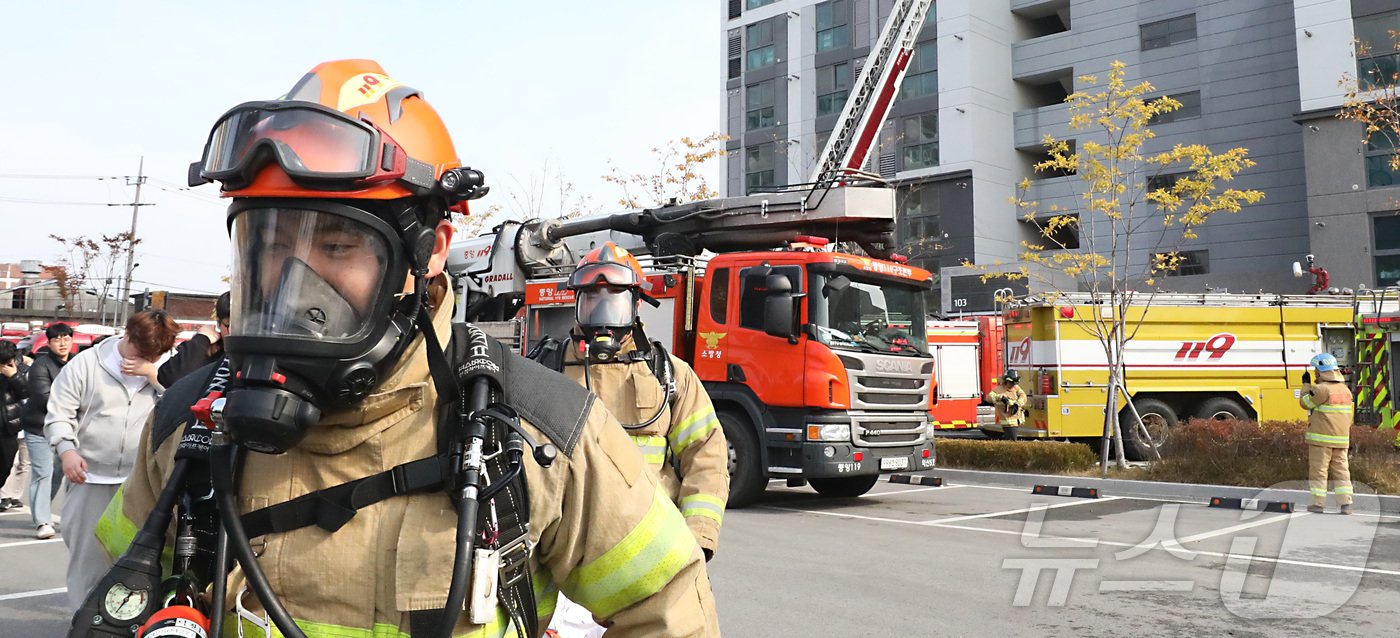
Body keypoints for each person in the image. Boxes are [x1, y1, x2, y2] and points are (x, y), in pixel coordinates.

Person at [95, 59, 718, 637]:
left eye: (337, 246)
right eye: (271, 244)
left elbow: (668, 611)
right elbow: (121, 596)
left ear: (429, 250)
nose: (293, 282)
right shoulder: (190, 427)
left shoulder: (536, 430)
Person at [545, 243, 729, 637]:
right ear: (576, 303)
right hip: (561, 559)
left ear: (637, 306)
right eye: (592, 300)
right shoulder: (545, 371)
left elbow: (707, 458)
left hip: (651, 558)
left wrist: (697, 539)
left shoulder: (671, 376)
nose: (602, 313)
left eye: (614, 301)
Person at [46, 309, 179, 609]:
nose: (146, 357)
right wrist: (67, 450)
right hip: (90, 479)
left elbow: (181, 402)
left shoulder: (165, 368)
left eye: (154, 355)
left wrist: (153, 374)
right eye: (141, 351)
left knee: (141, 563)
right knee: (88, 563)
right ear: (127, 334)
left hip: (142, 483)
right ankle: (86, 624)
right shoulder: (87, 364)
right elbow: (58, 413)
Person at [22, 322, 73, 538]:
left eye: (66, 338)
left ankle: (43, 510)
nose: (62, 343)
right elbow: (44, 396)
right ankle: (42, 521)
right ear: (49, 343)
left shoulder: (76, 363)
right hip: (39, 426)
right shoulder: (40, 365)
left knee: (58, 474)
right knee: (43, 472)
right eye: (57, 339)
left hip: (67, 427)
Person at [1301, 352, 1354, 515]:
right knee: (1342, 470)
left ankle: (1318, 503)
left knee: (1319, 470)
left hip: (1321, 440)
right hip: (1342, 439)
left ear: (1320, 371)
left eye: (1316, 370)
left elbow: (1304, 403)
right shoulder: (1345, 390)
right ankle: (1346, 504)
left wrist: (1305, 386)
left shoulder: (1320, 389)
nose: (1315, 373)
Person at [158, 292, 231, 387]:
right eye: (230, 324)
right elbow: (172, 379)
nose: (238, 331)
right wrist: (202, 339)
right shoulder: (208, 350)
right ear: (218, 322)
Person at [0, 341, 28, 511]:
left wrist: (14, 376)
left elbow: (27, 392)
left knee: (5, 467)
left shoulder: (21, 370)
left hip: (8, 428)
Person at [985, 369, 1027, 440]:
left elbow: (1023, 395)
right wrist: (1000, 397)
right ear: (1006, 381)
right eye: (1011, 383)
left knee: (1012, 441)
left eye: (1014, 383)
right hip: (1007, 421)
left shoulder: (1016, 387)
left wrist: (1017, 404)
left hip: (1015, 420)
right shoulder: (999, 389)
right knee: (1012, 442)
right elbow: (988, 397)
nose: (1013, 385)